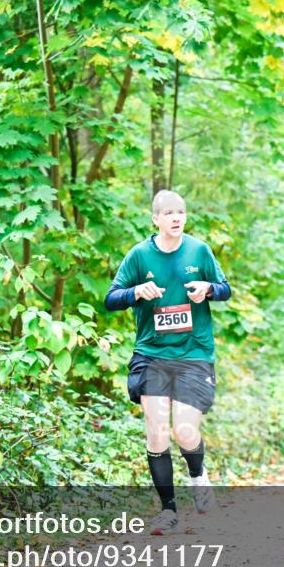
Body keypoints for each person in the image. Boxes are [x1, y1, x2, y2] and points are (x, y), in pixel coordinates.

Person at [105, 190, 230, 535]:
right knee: (156, 432)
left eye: (181, 212)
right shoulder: (139, 255)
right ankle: (168, 511)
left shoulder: (199, 250)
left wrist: (208, 289)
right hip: (152, 354)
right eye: (169, 213)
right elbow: (110, 299)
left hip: (193, 353)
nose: (176, 218)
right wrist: (135, 293)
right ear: (155, 219)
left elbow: (225, 289)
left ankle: (198, 475)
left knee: (185, 430)